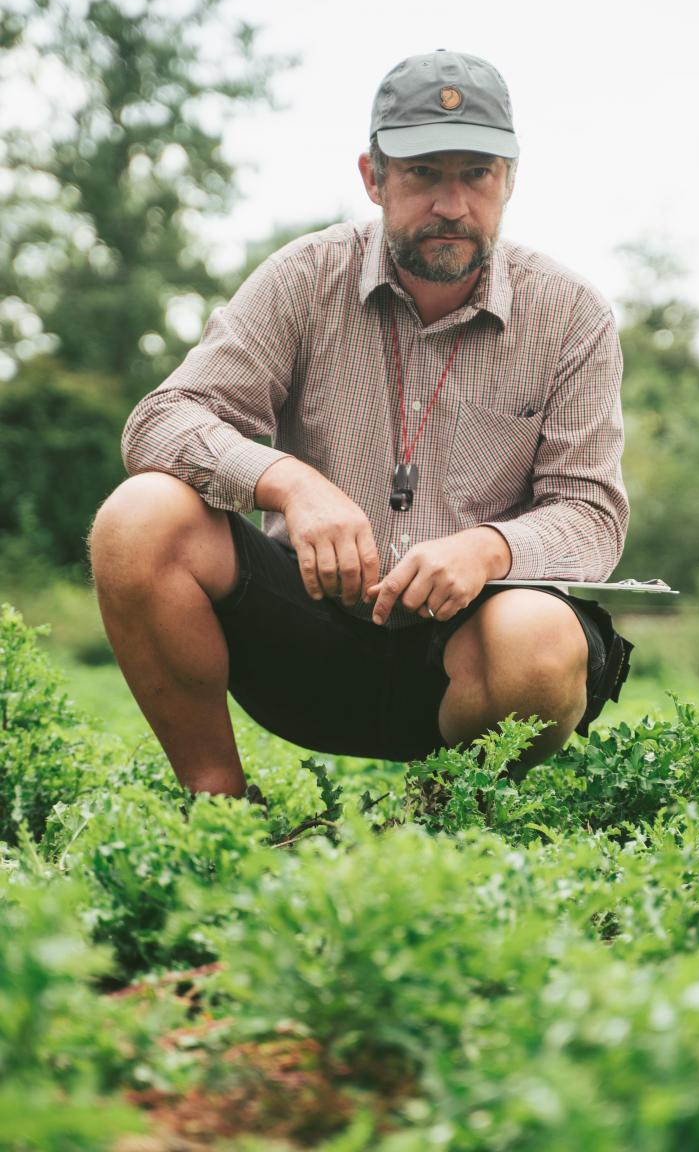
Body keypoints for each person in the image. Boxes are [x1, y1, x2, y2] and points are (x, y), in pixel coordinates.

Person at [89, 49, 633, 799]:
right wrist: (287, 482)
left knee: (540, 639)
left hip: (473, 657)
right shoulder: (303, 277)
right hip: (304, 642)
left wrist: (488, 548)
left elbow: (593, 514)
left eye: (476, 174)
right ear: (372, 177)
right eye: (422, 174)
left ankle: (436, 824)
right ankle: (219, 811)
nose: (452, 204)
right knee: (139, 516)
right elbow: (160, 422)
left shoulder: (572, 315)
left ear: (510, 178)